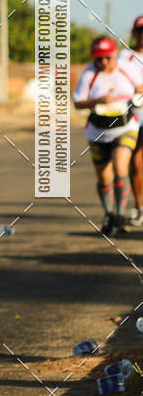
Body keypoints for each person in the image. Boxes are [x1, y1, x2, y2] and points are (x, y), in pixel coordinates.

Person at [73, 36, 141, 235]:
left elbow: (140, 87)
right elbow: (78, 102)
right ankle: (109, 214)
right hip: (97, 131)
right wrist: (98, 100)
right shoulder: (89, 74)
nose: (103, 62)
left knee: (121, 164)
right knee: (104, 177)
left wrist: (135, 98)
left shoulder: (126, 69)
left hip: (125, 126)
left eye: (107, 58)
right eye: (98, 59)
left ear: (114, 55)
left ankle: (120, 215)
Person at [117, 15, 143, 226]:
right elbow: (116, 79)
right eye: (140, 31)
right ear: (134, 32)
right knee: (136, 163)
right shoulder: (124, 56)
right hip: (134, 118)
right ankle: (139, 207)